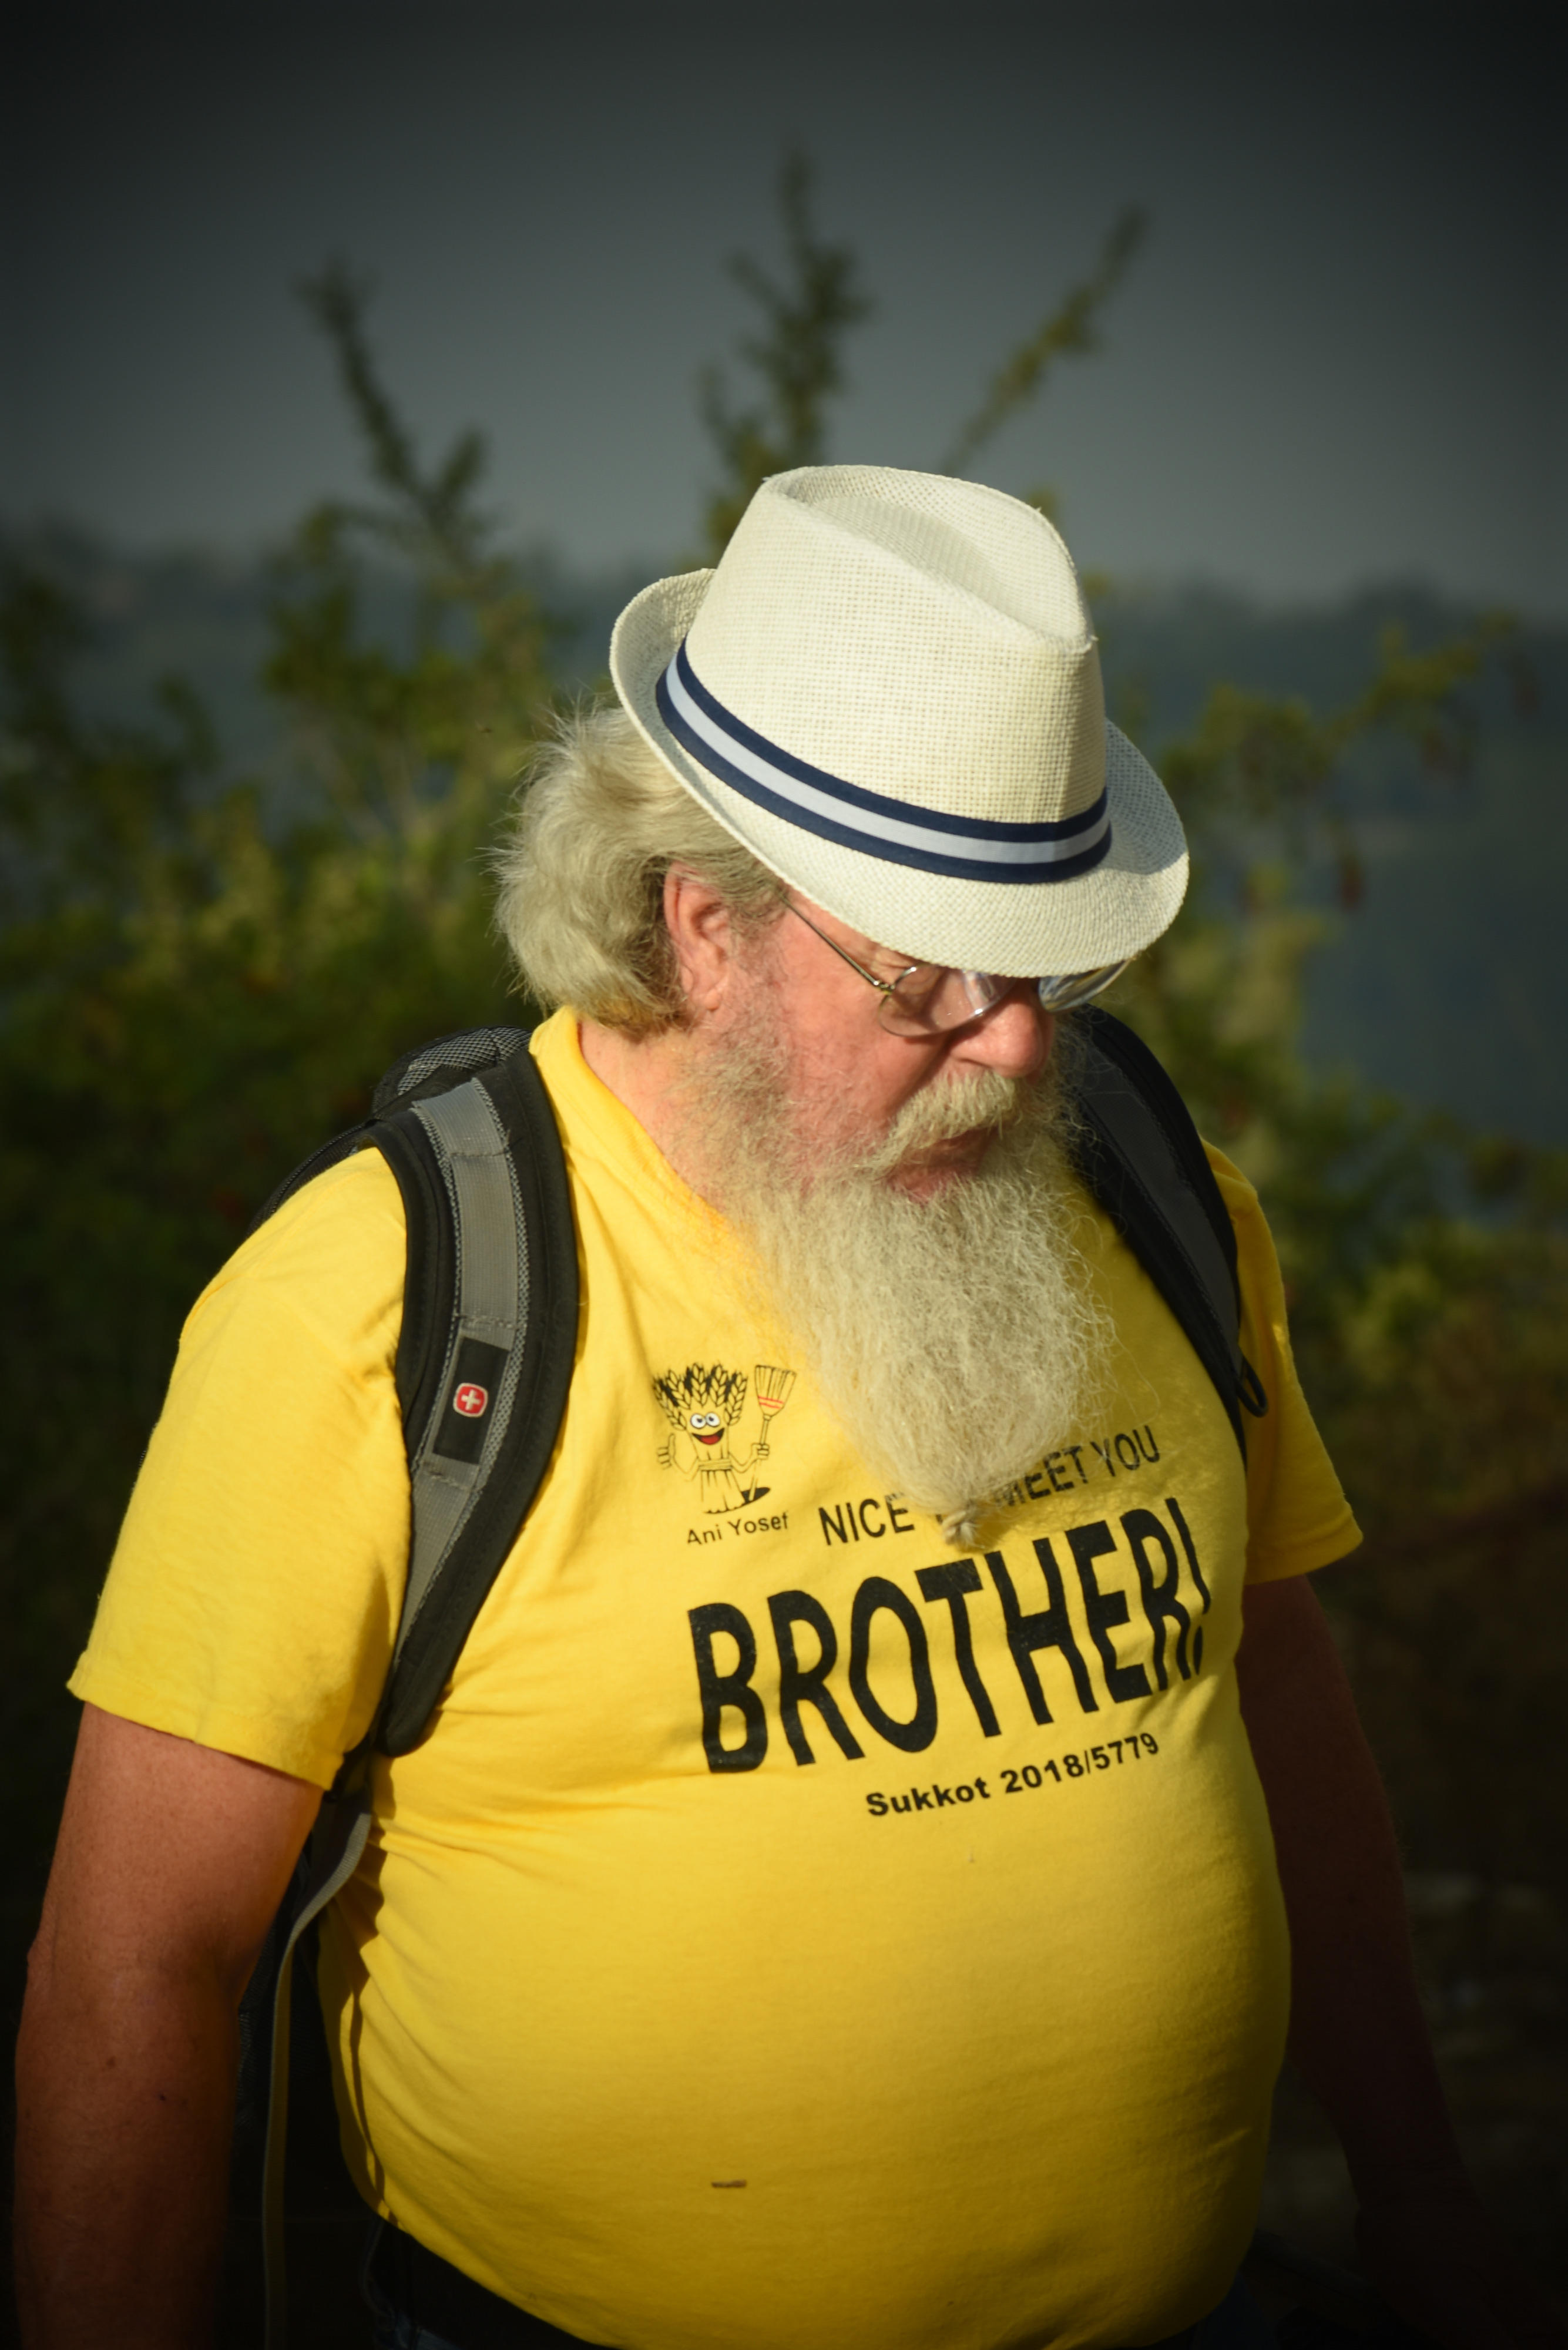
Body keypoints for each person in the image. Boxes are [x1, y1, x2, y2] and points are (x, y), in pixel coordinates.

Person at [14, 467, 1561, 2350]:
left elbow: (1274, 1683)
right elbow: (133, 1965)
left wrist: (1422, 2200)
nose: (1015, 1042)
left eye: (1047, 962)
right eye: (927, 974)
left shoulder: (1156, 1199)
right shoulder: (388, 1305)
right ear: (702, 927)